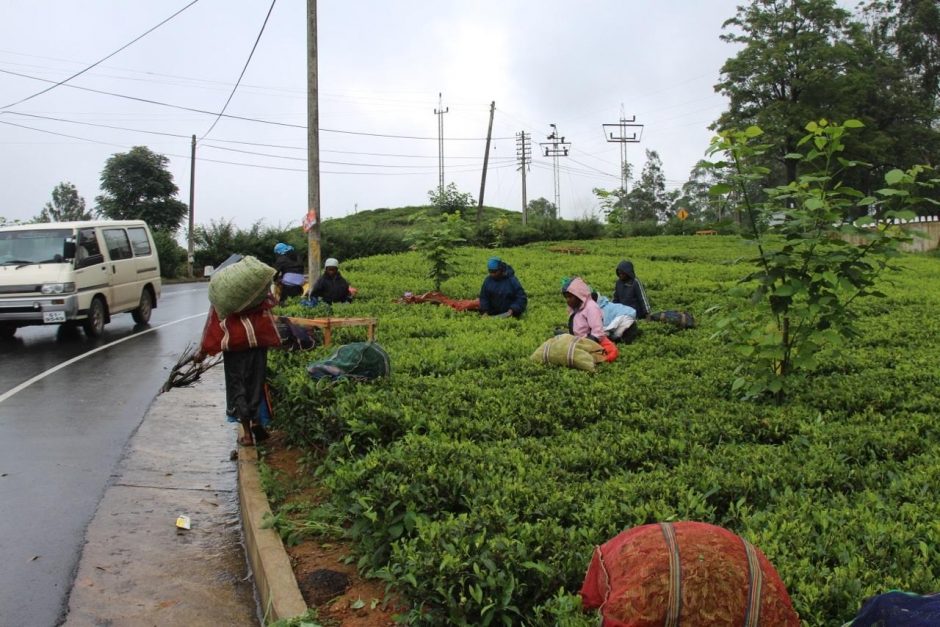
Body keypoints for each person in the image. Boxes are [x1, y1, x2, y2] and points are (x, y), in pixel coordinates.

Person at [194, 288, 280, 447]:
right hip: (257, 344)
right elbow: (268, 315)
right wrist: (275, 339)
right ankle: (256, 420)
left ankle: (247, 434)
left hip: (234, 348)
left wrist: (203, 351)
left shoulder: (224, 296)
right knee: (256, 383)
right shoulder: (257, 293)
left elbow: (213, 325)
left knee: (238, 387)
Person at [563, 277, 618, 362]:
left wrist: (583, 345)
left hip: (592, 342)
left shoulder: (591, 307)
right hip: (578, 340)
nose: (568, 300)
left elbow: (597, 332)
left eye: (570, 297)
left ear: (579, 295)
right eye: (566, 297)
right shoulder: (574, 308)